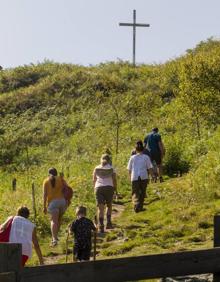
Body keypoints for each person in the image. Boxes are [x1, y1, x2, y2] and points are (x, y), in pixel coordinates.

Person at [93, 154, 117, 233]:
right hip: (109, 187)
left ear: (101, 159)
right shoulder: (112, 168)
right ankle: (109, 223)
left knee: (100, 208)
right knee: (109, 205)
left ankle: (101, 226)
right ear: (109, 160)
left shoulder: (96, 168)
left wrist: (94, 188)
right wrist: (115, 189)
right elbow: (114, 180)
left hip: (98, 188)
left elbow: (94, 179)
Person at [127, 140, 154, 213]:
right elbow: (150, 168)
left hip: (134, 176)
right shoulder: (146, 157)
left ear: (135, 149)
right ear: (143, 149)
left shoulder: (132, 158)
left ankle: (136, 204)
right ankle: (140, 206)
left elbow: (129, 169)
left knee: (135, 192)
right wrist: (152, 176)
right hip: (144, 176)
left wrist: (129, 177)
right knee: (142, 192)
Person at [43, 167, 67, 246]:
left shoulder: (46, 181)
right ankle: (56, 237)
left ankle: (54, 239)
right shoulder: (60, 179)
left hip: (53, 203)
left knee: (53, 221)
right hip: (62, 202)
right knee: (58, 220)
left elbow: (45, 195)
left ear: (48, 173)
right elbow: (67, 188)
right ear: (56, 173)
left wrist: (44, 206)